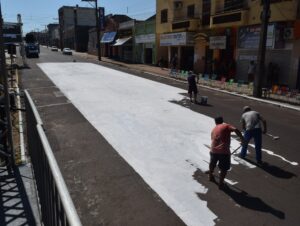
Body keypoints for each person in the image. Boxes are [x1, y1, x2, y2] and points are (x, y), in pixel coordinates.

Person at [209, 116, 244, 189]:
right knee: (223, 168)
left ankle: (210, 176)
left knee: (212, 164)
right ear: (222, 121)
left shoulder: (214, 129)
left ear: (215, 122)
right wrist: (242, 139)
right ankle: (220, 184)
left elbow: (213, 139)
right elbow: (236, 130)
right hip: (223, 151)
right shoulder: (226, 125)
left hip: (213, 150)